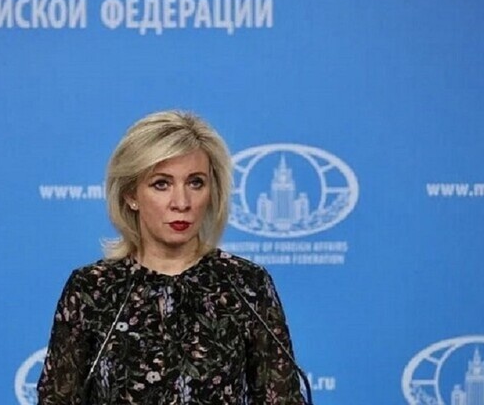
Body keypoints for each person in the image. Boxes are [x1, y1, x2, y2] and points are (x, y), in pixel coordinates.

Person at [37, 111, 308, 404]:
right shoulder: (92, 289)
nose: (181, 203)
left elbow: (282, 398)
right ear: (131, 195)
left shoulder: (245, 284)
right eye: (162, 184)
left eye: (195, 183)